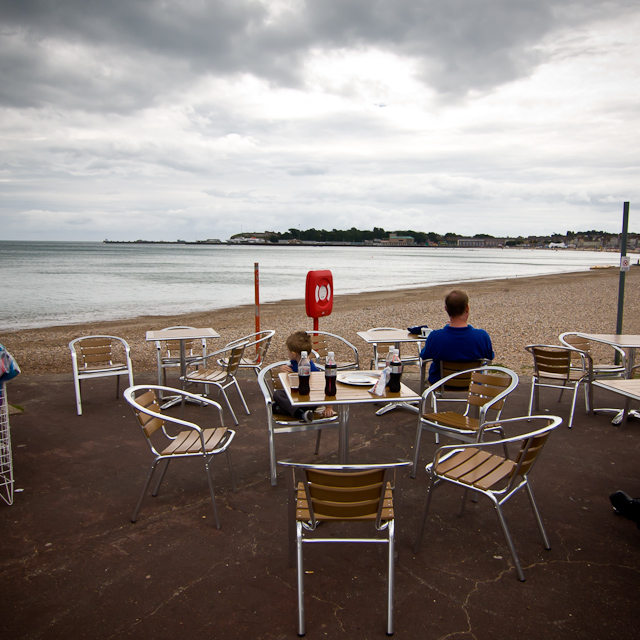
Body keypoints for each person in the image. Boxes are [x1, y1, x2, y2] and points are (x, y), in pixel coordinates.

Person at [420, 289, 494, 384]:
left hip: (440, 383)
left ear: (446, 309)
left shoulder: (436, 337)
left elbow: (424, 356)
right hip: (473, 383)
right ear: (467, 308)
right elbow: (489, 357)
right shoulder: (481, 336)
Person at [273, 331, 336, 422]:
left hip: (310, 400)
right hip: (296, 398)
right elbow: (287, 379)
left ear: (294, 354)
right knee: (278, 394)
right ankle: (302, 413)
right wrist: (282, 369)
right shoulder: (292, 363)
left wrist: (328, 407)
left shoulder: (311, 367)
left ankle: (298, 413)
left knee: (276, 404)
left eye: (288, 351)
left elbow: (325, 386)